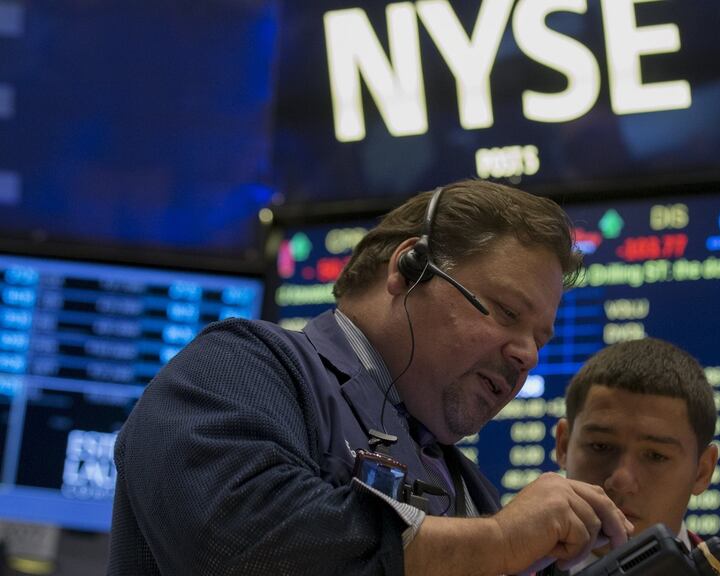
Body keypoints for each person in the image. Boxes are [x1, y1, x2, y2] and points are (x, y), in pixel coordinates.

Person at [108, 180, 632, 576]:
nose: (527, 355)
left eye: (541, 339)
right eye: (506, 312)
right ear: (410, 267)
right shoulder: (244, 365)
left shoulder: (471, 490)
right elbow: (240, 540)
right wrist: (499, 539)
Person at [551, 337, 720, 575]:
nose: (621, 480)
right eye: (600, 446)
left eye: (655, 456)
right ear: (563, 446)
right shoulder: (501, 565)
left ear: (702, 471)